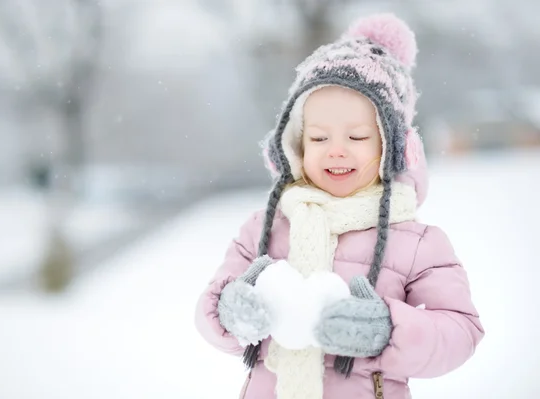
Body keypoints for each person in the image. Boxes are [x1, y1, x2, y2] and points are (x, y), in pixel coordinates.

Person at [194, 13, 484, 399]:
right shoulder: (266, 228)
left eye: (357, 135)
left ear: (392, 147)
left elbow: (460, 332)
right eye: (318, 137)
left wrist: (388, 330)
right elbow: (209, 307)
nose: (336, 150)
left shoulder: (417, 243)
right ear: (294, 146)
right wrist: (231, 313)